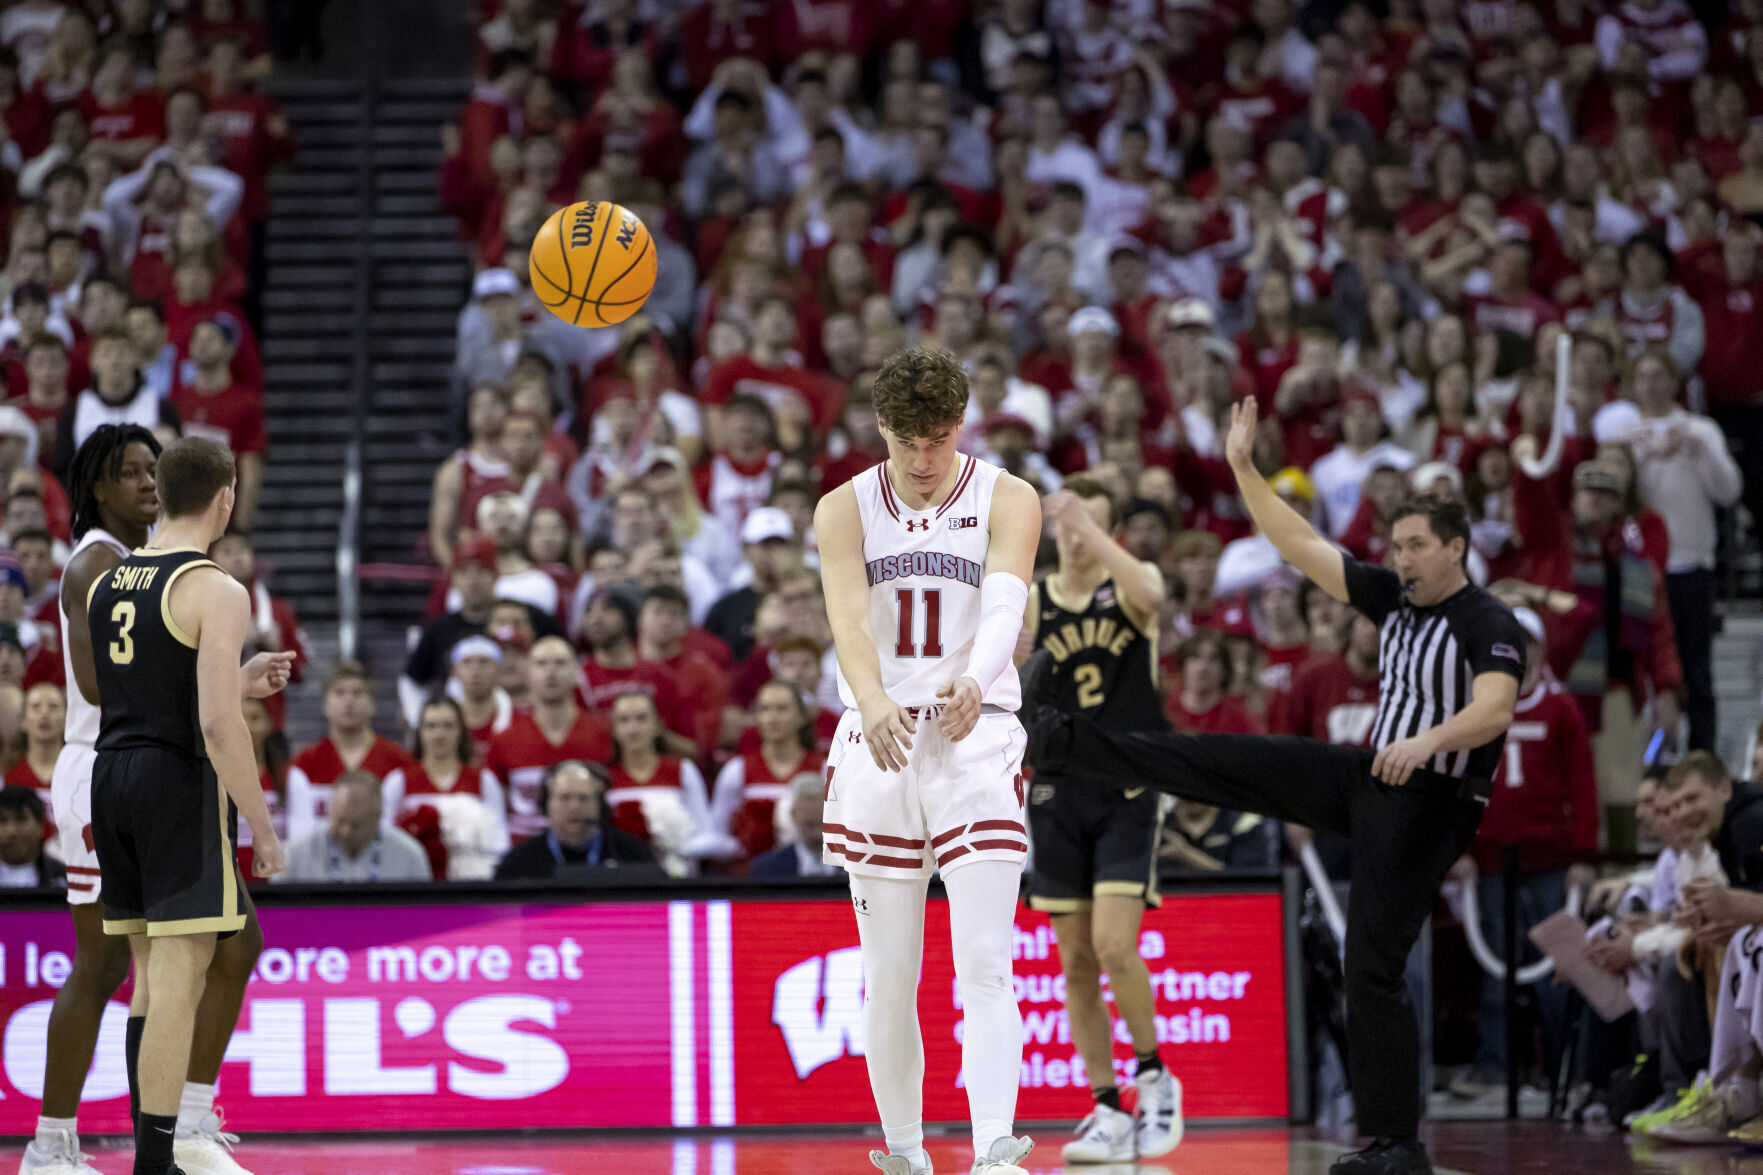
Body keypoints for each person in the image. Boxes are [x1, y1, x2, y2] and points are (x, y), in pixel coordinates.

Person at [1025, 396, 1527, 1175]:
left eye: (1417, 546)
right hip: (1368, 775)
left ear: (1456, 548)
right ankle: (1064, 743)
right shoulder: (1391, 598)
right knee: (1223, 759)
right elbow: (1298, 545)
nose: (1400, 558)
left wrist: (1426, 741)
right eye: (1394, 545)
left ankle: (1396, 1144)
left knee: (1370, 963)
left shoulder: (1486, 618)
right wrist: (1241, 469)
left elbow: (1494, 708)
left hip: (1431, 799)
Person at [24, 426, 291, 1175]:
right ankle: (128, 1149)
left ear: (165, 491)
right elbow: (204, 717)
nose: (140, 482)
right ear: (225, 496)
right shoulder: (195, 581)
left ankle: (169, 1139)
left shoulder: (120, 574)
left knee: (162, 959)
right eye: (126, 471)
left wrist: (232, 677)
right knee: (155, 967)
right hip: (159, 772)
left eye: (150, 470)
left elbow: (148, 687)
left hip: (112, 769)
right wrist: (264, 830)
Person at [814, 346, 1041, 1175]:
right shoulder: (842, 507)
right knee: (890, 971)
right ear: (880, 427)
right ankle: (906, 1151)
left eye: (938, 439)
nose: (921, 458)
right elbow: (846, 615)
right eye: (907, 440)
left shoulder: (1007, 495)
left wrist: (976, 683)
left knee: (984, 956)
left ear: (961, 427)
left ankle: (992, 1149)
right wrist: (872, 701)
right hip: (879, 737)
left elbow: (1008, 599)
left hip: (974, 736)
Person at [1025, 475, 1183, 1164]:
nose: (1072, 532)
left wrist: (1095, 532)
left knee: (1117, 945)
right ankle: (1106, 1105)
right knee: (1076, 961)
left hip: (1125, 786)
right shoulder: (1031, 599)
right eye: (1064, 520)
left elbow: (1154, 595)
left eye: (1086, 522)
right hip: (1057, 791)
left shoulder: (1127, 585)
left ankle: (1154, 1075)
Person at [485, 635, 612, 843]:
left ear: (575, 672)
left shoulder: (604, 732)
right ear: (528, 673)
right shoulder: (504, 740)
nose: (551, 672)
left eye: (560, 663)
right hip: (524, 857)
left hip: (590, 853)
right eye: (541, 664)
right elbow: (497, 810)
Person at [283, 662, 416, 843]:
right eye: (339, 692)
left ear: (372, 704)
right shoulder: (304, 764)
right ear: (325, 704)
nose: (349, 701)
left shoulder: (400, 761)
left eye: (357, 693)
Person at [388, 697, 509, 880]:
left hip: (471, 884)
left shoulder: (484, 781)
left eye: (448, 726)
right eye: (431, 726)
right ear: (419, 731)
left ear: (461, 731)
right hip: (415, 882)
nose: (439, 734)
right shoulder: (398, 781)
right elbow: (388, 837)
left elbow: (499, 841)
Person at [711, 679, 822, 861]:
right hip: (752, 877)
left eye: (782, 709)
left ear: (802, 717)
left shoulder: (822, 768)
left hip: (807, 874)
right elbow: (717, 831)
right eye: (765, 709)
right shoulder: (737, 770)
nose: (772, 717)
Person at [492, 760, 658, 879]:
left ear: (599, 805)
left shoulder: (633, 855)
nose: (575, 807)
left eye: (584, 798)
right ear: (546, 804)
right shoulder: (518, 863)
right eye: (565, 798)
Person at [276, 770, 432, 884]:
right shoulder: (294, 854)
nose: (346, 831)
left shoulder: (410, 855)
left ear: (378, 817)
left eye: (357, 826)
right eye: (340, 822)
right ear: (330, 810)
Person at [750, 770, 841, 878]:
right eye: (809, 825)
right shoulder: (767, 868)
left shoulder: (854, 866)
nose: (817, 834)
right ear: (794, 816)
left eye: (822, 825)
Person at [0, 784, 63, 888]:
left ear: (40, 826)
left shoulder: (64, 879)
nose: (12, 831)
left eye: (21, 819)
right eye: (3, 820)